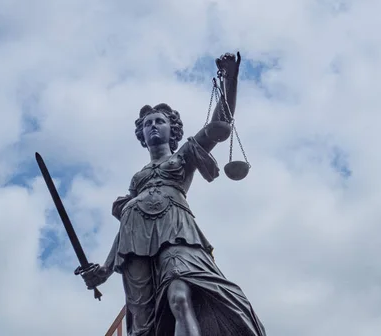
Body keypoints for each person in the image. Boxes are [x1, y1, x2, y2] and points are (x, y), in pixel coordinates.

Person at [80, 53, 267, 336]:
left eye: (159, 121)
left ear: (172, 129)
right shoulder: (137, 180)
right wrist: (105, 269)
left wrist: (230, 78)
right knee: (143, 326)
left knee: (180, 296)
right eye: (147, 124)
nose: (153, 125)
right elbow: (126, 224)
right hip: (135, 244)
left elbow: (220, 126)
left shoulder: (184, 156)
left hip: (178, 233)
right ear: (142, 135)